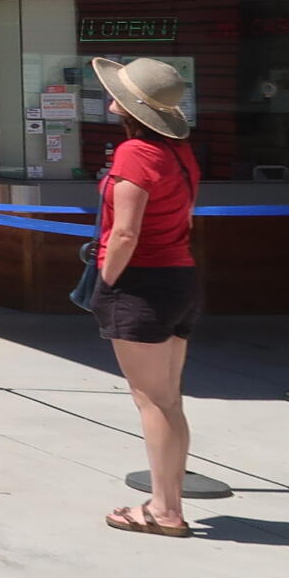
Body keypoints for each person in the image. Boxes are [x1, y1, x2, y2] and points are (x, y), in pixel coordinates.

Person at [90, 55, 202, 538]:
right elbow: (187, 218)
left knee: (151, 402)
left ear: (133, 107)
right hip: (179, 277)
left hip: (141, 283)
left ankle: (164, 510)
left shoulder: (135, 155)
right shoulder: (181, 153)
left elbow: (125, 233)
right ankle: (167, 502)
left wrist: (106, 282)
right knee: (169, 400)